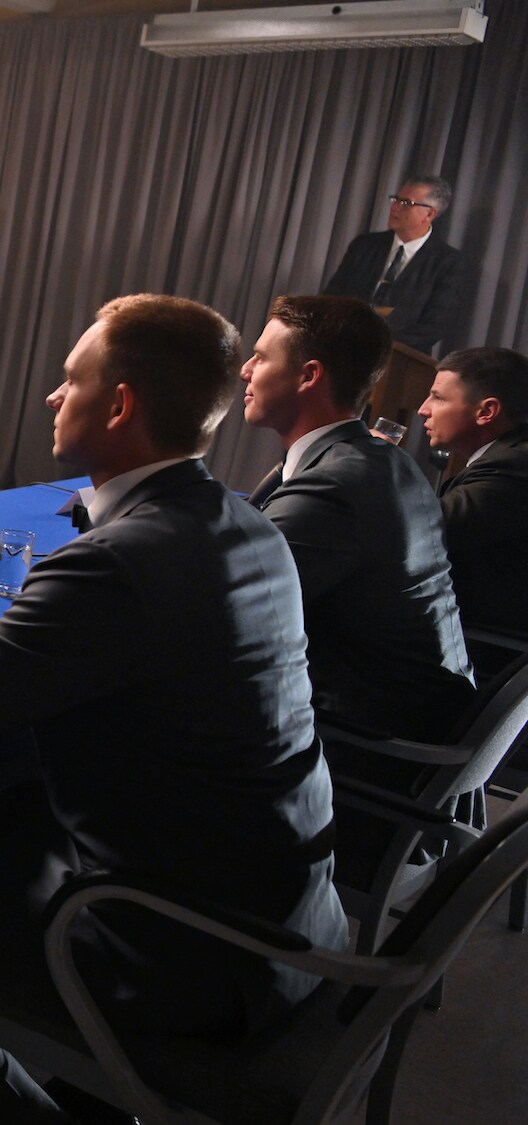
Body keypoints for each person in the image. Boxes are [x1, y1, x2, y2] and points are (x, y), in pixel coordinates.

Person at [0, 294, 347, 1125]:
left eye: (70, 379)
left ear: (121, 403)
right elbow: (81, 637)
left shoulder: (119, 559)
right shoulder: (240, 522)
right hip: (283, 921)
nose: (55, 397)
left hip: (170, 946)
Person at [239, 294, 473, 739]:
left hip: (366, 744)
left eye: (261, 357)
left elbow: (228, 609)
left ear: (309, 376)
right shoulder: (379, 459)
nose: (245, 370)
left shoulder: (337, 485)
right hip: (413, 717)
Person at [423, 346, 528, 636]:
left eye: (438, 397)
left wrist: (375, 465)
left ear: (486, 411)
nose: (424, 409)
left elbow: (430, 528)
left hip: (486, 649)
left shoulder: (515, 463)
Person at [321, 175, 470, 355]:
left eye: (406, 203)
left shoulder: (449, 262)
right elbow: (332, 296)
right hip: (342, 348)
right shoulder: (365, 245)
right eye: (396, 199)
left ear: (430, 214)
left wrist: (376, 343)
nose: (395, 207)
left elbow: (434, 326)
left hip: (398, 359)